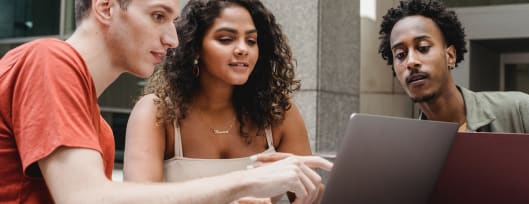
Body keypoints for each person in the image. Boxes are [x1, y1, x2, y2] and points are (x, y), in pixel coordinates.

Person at [0, 0, 332, 203]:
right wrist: (245, 181)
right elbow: (87, 198)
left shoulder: (98, 129)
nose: (172, 39)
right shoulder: (50, 58)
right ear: (105, 6)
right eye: (158, 16)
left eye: (173, 21)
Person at [123, 0, 321, 203]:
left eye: (251, 41)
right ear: (195, 47)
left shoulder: (279, 112)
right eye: (226, 39)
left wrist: (310, 196)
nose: (243, 49)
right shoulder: (156, 111)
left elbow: (309, 193)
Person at [377, 0, 529, 202]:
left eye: (422, 47)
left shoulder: (521, 111)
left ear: (450, 55)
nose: (411, 62)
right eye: (401, 55)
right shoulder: (406, 155)